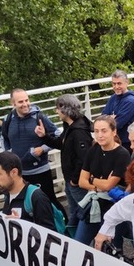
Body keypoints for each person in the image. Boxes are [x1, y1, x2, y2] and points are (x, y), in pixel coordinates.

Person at [38, 94, 93, 237]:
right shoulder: (70, 126)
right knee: (75, 212)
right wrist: (44, 136)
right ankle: (74, 237)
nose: (56, 112)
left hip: (75, 182)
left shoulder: (79, 131)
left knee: (85, 213)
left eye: (57, 108)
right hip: (71, 180)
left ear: (65, 109)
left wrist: (75, 179)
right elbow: (61, 144)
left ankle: (86, 240)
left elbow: (84, 158)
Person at [74, 114, 131, 244]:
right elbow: (81, 181)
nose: (100, 135)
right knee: (78, 243)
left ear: (114, 131)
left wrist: (92, 179)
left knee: (111, 249)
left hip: (113, 206)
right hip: (93, 203)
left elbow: (108, 186)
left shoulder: (122, 154)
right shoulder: (93, 149)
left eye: (104, 131)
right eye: (96, 131)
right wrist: (98, 185)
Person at [1, 88, 61, 208]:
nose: (25, 104)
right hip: (19, 174)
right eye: (20, 102)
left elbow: (57, 135)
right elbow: (4, 138)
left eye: (26, 100)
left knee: (49, 203)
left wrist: (42, 149)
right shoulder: (8, 119)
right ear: (13, 103)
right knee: (24, 205)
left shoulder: (39, 117)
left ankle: (61, 226)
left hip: (40, 170)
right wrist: (8, 154)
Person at [0, 151, 56, 231]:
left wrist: (22, 226)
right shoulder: (8, 194)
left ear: (14, 172)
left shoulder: (37, 197)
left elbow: (50, 236)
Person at [102, 70, 134, 151]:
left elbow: (118, 123)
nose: (116, 87)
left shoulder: (130, 101)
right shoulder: (113, 97)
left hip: (127, 142)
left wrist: (110, 118)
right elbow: (102, 117)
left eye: (119, 83)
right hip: (114, 140)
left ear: (127, 82)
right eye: (114, 84)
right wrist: (111, 118)